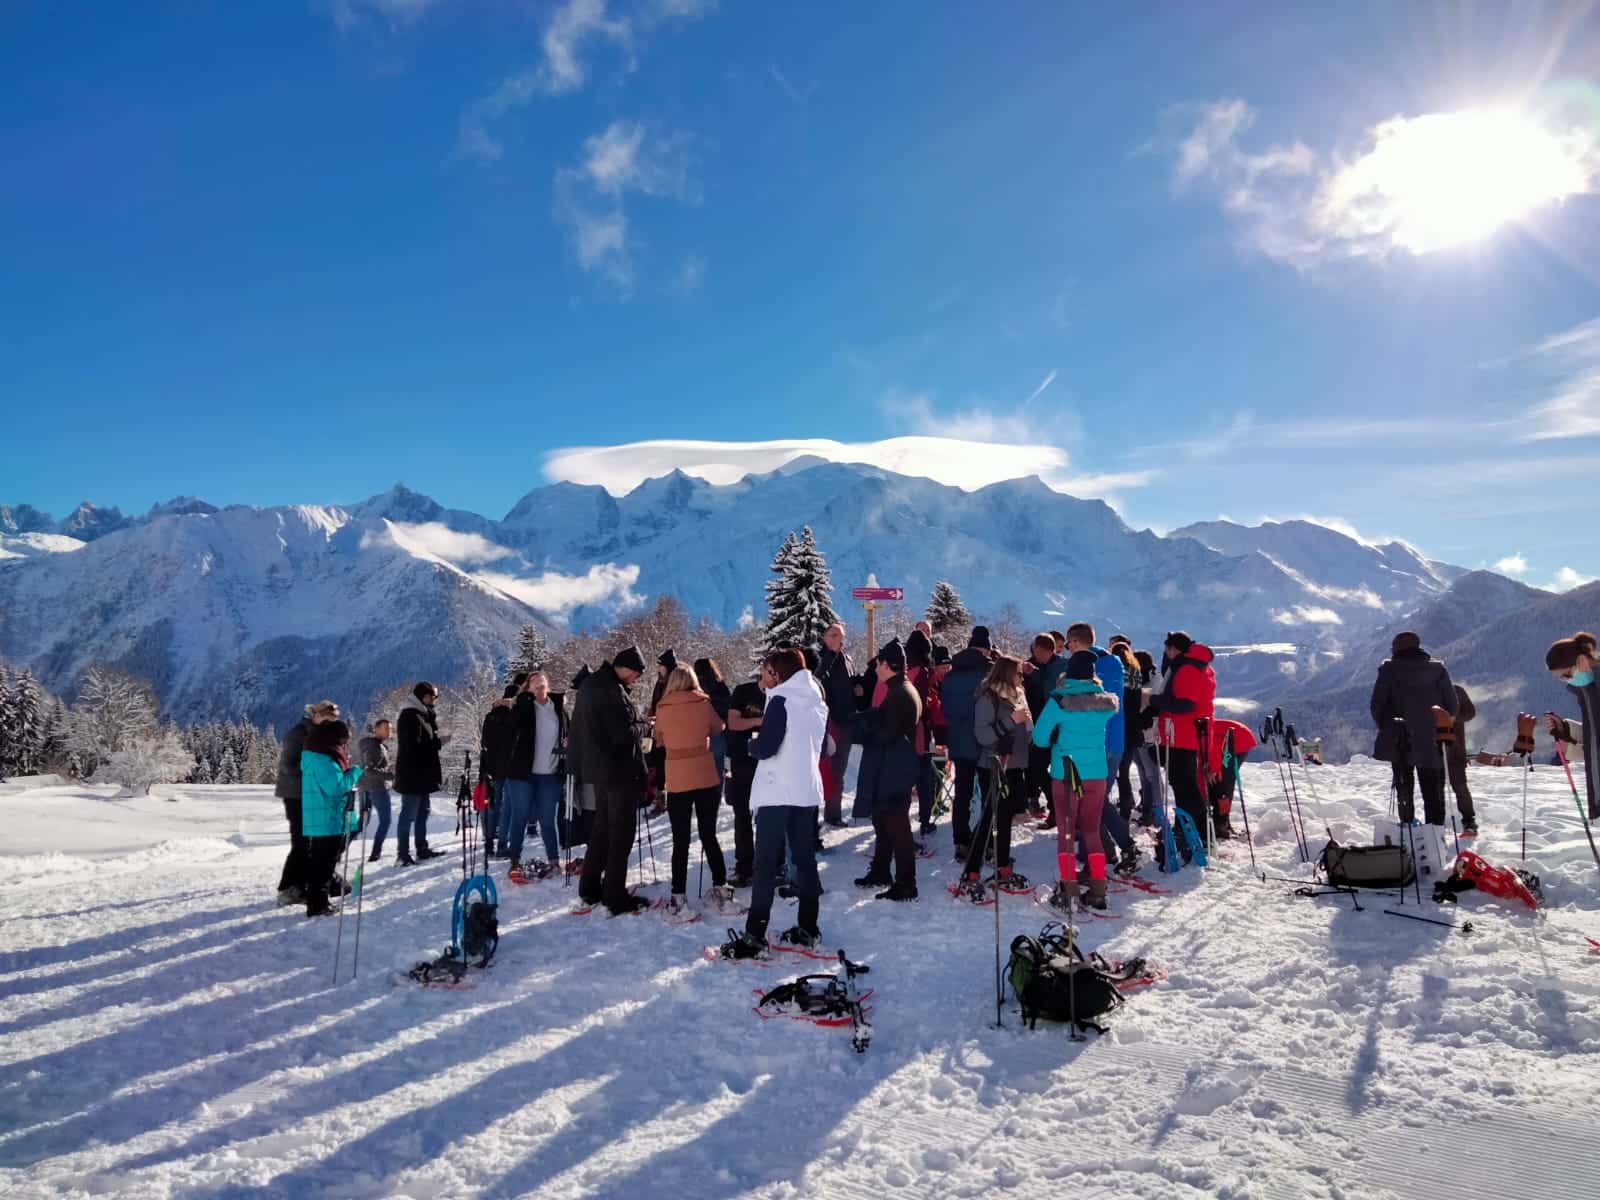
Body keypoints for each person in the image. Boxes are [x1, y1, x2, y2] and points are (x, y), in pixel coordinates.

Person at [721, 648, 831, 958]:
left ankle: (754, 935)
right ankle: (808, 927)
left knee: (766, 863)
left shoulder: (781, 700)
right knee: (805, 859)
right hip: (806, 790)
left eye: (765, 671)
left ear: (777, 674)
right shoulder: (815, 700)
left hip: (777, 790)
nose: (762, 677)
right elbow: (822, 748)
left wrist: (752, 745)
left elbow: (768, 746)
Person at [1032, 650, 1119, 909]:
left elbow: (1039, 737)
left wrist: (1056, 739)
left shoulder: (1059, 701)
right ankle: (1098, 886)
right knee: (1092, 830)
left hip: (1066, 772)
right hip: (1096, 773)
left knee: (1067, 831)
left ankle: (1069, 887)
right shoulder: (1105, 703)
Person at [573, 646, 652, 916]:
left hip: (598, 771)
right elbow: (622, 732)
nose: (636, 680)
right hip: (619, 771)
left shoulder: (591, 684)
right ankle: (614, 895)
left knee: (602, 831)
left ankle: (590, 887)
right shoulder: (611, 690)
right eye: (636, 674)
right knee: (621, 835)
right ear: (628, 667)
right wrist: (643, 725)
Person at [654, 664, 731, 913]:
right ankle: (721, 887)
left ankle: (679, 895)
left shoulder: (663, 708)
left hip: (677, 777)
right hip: (705, 774)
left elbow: (659, 739)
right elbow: (719, 727)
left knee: (681, 840)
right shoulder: (703, 703)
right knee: (709, 835)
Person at [956, 653, 1033, 894]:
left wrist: (1027, 726)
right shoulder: (988, 698)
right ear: (1008, 674)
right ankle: (971, 870)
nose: (1022, 677)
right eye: (1018, 673)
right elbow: (983, 735)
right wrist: (1012, 721)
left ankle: (1002, 866)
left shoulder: (1018, 696)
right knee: (990, 817)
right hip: (993, 765)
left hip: (1014, 765)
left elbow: (1024, 731)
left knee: (1004, 818)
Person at [1066, 623, 1139, 876]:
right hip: (1115, 741)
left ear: (1075, 642)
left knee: (1093, 802)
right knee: (1096, 800)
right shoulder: (1114, 662)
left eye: (1068, 645)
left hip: (1096, 743)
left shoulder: (1086, 665)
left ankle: (1112, 851)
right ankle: (1102, 850)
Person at [852, 638, 922, 900]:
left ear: (888, 665)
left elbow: (888, 734)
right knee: (883, 822)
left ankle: (907, 882)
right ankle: (881, 870)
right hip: (894, 765)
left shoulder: (900, 693)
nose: (875, 669)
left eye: (878, 664)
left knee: (897, 826)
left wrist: (863, 731)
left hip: (895, 768)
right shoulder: (901, 688)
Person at [1369, 631, 1457, 827]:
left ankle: (1407, 824)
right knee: (1433, 789)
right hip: (1432, 739)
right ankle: (1434, 831)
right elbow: (1452, 707)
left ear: (1397, 648)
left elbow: (1377, 706)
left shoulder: (1388, 670)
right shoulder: (1438, 670)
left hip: (1399, 736)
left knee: (1404, 785)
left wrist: (1387, 727)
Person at [1148, 631, 1216, 855]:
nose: (1166, 653)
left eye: (1168, 649)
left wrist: (1155, 700)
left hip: (1181, 734)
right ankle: (1190, 830)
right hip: (1187, 733)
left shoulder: (1187, 668)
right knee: (1184, 785)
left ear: (1174, 648)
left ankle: (1193, 832)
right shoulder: (1198, 665)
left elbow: (1185, 704)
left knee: (1184, 785)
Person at [501, 671, 568, 874]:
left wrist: (568, 741)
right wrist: (523, 699)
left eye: (542, 683)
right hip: (522, 773)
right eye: (534, 684)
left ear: (548, 684)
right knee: (519, 818)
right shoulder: (523, 707)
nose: (539, 686)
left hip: (551, 773)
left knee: (548, 819)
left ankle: (554, 860)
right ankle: (514, 860)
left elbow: (568, 731)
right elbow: (512, 726)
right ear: (528, 688)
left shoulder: (558, 708)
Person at [274, 699, 340, 905]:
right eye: (328, 718)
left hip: (309, 794)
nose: (330, 723)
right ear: (317, 715)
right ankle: (287, 888)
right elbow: (288, 766)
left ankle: (301, 885)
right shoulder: (299, 733)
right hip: (295, 794)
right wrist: (314, 774)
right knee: (301, 842)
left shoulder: (317, 733)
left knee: (310, 842)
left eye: (334, 720)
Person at [299, 720, 362, 917]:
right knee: (324, 864)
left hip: (319, 816)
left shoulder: (313, 756)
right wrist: (354, 772)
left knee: (320, 862)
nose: (344, 745)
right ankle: (318, 905)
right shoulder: (324, 760)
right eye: (343, 741)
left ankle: (317, 901)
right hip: (328, 817)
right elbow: (336, 788)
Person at [940, 627, 993, 860]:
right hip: (985, 744)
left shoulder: (951, 676)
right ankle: (988, 842)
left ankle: (961, 841)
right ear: (985, 649)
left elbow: (946, 711)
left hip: (960, 742)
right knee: (989, 795)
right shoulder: (989, 676)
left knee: (962, 794)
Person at [394, 681, 449, 865]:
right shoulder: (410, 716)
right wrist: (438, 742)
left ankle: (421, 848)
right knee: (409, 814)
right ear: (422, 696)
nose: (434, 700)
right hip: (412, 774)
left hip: (422, 774)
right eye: (432, 696)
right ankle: (402, 854)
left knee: (422, 813)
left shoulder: (423, 715)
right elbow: (413, 745)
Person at [1544, 632, 1598, 819]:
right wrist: (1565, 730)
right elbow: (1595, 734)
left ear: (1581, 660)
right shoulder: (1589, 690)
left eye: (1566, 674)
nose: (1567, 680)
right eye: (1562, 678)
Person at [723, 669, 766, 887]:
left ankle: (772, 863)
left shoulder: (782, 693)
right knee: (742, 814)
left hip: (769, 762)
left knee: (768, 814)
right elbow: (734, 723)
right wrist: (760, 720)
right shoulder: (743, 691)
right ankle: (744, 866)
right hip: (741, 758)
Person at [1023, 633, 1069, 823]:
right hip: (1039, 725)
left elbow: (1050, 691)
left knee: (1042, 768)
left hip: (1055, 726)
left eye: (1038, 652)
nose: (1035, 655)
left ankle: (1057, 809)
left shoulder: (1061, 667)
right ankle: (1054, 807)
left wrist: (1033, 674)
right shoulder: (1036, 664)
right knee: (1036, 768)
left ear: (1046, 651)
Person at [815, 624, 856, 827]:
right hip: (827, 723)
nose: (838, 639)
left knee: (838, 770)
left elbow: (849, 684)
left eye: (841, 635)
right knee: (824, 769)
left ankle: (833, 814)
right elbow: (816, 680)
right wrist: (829, 657)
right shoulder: (819, 658)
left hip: (846, 721)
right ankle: (815, 813)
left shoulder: (847, 659)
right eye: (833, 635)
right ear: (825, 638)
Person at [905, 628, 940, 837]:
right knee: (924, 780)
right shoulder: (924, 673)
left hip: (902, 732)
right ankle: (925, 821)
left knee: (904, 781)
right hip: (921, 732)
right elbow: (926, 705)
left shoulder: (901, 668)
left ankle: (899, 823)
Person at [480, 682, 519, 857]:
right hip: (511, 768)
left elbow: (485, 744)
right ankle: (503, 845)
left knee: (493, 806)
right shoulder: (514, 717)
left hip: (493, 768)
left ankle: (488, 843)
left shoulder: (490, 717)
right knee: (507, 808)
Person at [1108, 637, 1143, 820]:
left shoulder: (1116, 675)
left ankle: (1114, 808)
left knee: (1114, 770)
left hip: (1118, 726)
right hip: (1133, 727)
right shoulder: (1136, 672)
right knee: (1125, 771)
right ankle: (1126, 807)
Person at [356, 718, 394, 862]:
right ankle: (375, 853)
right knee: (385, 820)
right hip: (377, 788)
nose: (389, 731)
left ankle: (339, 849)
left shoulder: (373, 745)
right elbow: (370, 770)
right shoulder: (375, 747)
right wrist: (389, 775)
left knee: (362, 822)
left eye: (390, 729)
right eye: (385, 728)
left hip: (365, 786)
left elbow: (371, 768)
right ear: (376, 729)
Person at [1445, 683, 1479, 835]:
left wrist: (1452, 718)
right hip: (1433, 751)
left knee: (1460, 787)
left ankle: (1469, 821)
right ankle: (1435, 823)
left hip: (1455, 750)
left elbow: (1470, 712)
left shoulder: (1456, 690)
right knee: (1435, 790)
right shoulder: (1426, 688)